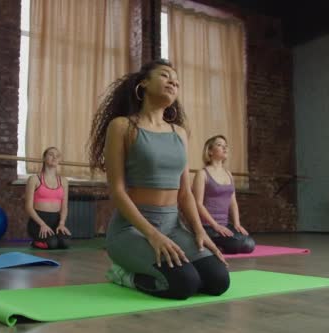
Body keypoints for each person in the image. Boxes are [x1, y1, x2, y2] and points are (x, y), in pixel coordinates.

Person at [88, 59, 229, 300]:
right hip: (132, 231)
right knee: (184, 284)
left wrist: (199, 232)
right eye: (165, 75)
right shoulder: (122, 126)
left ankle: (162, 263)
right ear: (143, 84)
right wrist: (153, 235)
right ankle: (123, 275)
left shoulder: (180, 133)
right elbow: (118, 191)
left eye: (176, 80)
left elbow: (184, 194)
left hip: (173, 227)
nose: (173, 81)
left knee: (218, 281)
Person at [192, 135, 256, 254]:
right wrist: (215, 225)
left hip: (225, 224)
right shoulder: (202, 174)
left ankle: (215, 245)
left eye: (226, 146)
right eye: (220, 145)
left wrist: (237, 224)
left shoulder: (228, 174)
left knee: (250, 244)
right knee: (237, 243)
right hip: (207, 226)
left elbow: (233, 202)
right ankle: (210, 243)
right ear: (210, 151)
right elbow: (198, 204)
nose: (225, 148)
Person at [24, 147, 71, 249]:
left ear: (59, 160)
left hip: (56, 221)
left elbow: (64, 207)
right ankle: (35, 242)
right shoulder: (34, 179)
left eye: (57, 156)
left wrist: (62, 223)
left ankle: (54, 235)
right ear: (44, 158)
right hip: (38, 221)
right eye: (51, 154)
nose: (54, 157)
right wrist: (42, 224)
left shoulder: (64, 181)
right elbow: (28, 207)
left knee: (65, 243)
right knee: (52, 244)